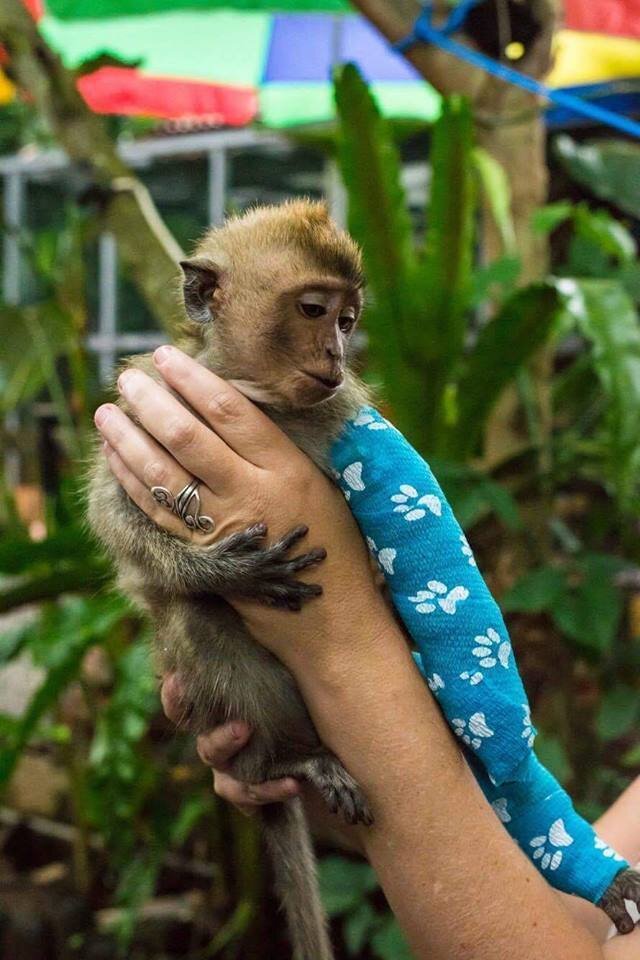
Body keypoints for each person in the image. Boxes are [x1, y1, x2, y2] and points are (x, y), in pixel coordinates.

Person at [94, 345, 640, 960]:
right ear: (208, 296)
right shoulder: (200, 389)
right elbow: (560, 907)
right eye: (309, 313)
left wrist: (341, 646)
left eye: (345, 321)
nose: (332, 350)